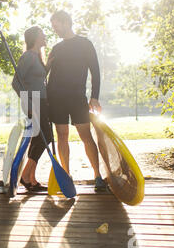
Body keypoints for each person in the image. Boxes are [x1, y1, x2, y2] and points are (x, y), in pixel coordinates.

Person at [47, 10, 107, 191]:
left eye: (56, 26)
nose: (55, 30)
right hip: (56, 98)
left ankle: (97, 176)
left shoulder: (85, 44)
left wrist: (94, 96)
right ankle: (66, 175)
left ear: (66, 22)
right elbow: (46, 75)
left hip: (77, 97)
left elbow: (95, 71)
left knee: (85, 135)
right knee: (62, 136)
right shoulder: (56, 49)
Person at [12, 26, 53, 192]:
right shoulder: (28, 56)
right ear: (36, 37)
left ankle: (31, 178)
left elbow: (40, 77)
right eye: (43, 34)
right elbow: (16, 82)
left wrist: (49, 64)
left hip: (42, 102)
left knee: (38, 138)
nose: (45, 36)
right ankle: (25, 175)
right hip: (33, 102)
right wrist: (28, 104)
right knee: (46, 136)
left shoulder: (37, 57)